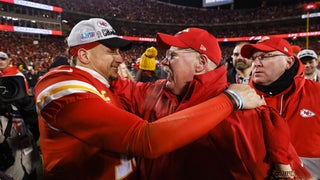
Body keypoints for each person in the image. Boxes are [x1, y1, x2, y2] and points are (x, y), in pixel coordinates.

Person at [33, 18, 265, 180]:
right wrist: (230, 99)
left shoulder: (108, 84)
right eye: (111, 51)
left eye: (119, 51)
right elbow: (144, 139)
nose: (119, 59)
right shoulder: (62, 85)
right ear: (83, 55)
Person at [111, 28, 310, 179]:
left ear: (201, 63)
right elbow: (115, 86)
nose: (163, 62)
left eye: (173, 55)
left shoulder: (244, 116)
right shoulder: (156, 91)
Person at [240, 36, 320, 179]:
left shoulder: (317, 93)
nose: (256, 64)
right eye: (254, 58)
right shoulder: (241, 99)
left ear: (289, 62)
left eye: (265, 56)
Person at [0, 52, 40, 179]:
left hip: (17, 117)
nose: (0, 61)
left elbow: (22, 100)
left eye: (3, 59)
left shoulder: (17, 75)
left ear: (9, 60)